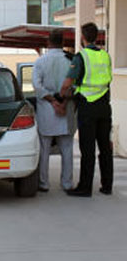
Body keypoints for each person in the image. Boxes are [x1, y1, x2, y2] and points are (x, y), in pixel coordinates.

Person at [60, 22, 113, 197]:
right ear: (97, 37)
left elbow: (68, 83)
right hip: (104, 106)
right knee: (105, 148)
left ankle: (85, 187)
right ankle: (107, 186)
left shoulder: (81, 57)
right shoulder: (106, 56)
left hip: (87, 107)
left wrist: (62, 94)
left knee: (87, 149)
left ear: (82, 37)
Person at [33, 29, 76, 192]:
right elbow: (75, 85)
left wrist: (53, 101)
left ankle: (44, 183)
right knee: (67, 149)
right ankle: (67, 183)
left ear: (48, 42)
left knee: (44, 149)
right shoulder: (70, 60)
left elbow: (37, 86)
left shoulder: (40, 61)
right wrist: (63, 102)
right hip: (66, 110)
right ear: (63, 42)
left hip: (46, 110)